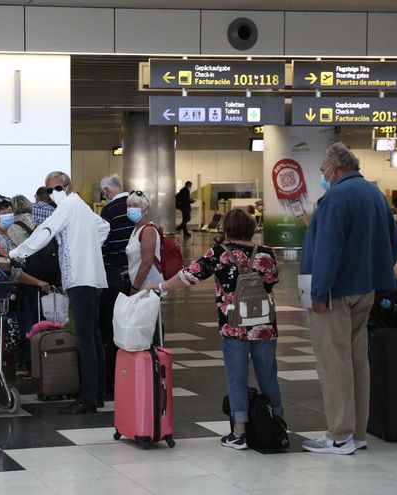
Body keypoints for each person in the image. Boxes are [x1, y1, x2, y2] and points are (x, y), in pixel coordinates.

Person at [301, 143, 397, 455]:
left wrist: (319, 293)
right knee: (358, 361)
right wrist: (372, 273)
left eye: (322, 170)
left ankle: (339, 434)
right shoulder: (375, 195)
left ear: (335, 166)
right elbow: (394, 244)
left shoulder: (335, 198)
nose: (322, 175)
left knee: (333, 362)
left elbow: (329, 250)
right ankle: (357, 432)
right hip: (365, 291)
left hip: (334, 294)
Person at [161, 208, 281, 450]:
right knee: (268, 377)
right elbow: (271, 280)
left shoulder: (220, 253)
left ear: (226, 229)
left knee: (236, 378)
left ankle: (239, 433)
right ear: (251, 229)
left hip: (233, 325)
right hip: (265, 326)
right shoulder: (266, 253)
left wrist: (160, 286)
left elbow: (189, 276)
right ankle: (276, 425)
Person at [9, 171, 110, 414]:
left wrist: (16, 253)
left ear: (68, 187)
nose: (54, 193)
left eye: (57, 188)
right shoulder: (81, 207)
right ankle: (96, 393)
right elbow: (103, 226)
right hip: (92, 279)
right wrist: (88, 249)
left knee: (85, 340)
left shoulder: (68, 205)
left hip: (80, 280)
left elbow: (45, 231)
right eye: (49, 190)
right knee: (93, 338)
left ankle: (87, 399)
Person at [0, 195, 51, 373]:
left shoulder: (4, 233)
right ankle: (17, 368)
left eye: (9, 210)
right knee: (19, 330)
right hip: (7, 292)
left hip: (16, 290)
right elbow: (12, 270)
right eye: (2, 211)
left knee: (23, 328)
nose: (7, 213)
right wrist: (38, 282)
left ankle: (21, 366)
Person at [98, 175, 135, 361]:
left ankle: (115, 364)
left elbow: (103, 243)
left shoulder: (109, 210)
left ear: (106, 191)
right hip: (138, 272)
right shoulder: (137, 204)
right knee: (135, 316)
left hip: (114, 271)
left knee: (114, 317)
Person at [124, 191, 163, 292]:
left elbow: (147, 262)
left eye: (135, 205)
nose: (131, 209)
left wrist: (134, 288)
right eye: (128, 206)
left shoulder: (148, 230)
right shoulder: (137, 229)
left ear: (145, 208)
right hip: (141, 284)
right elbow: (138, 258)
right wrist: (131, 271)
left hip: (148, 287)